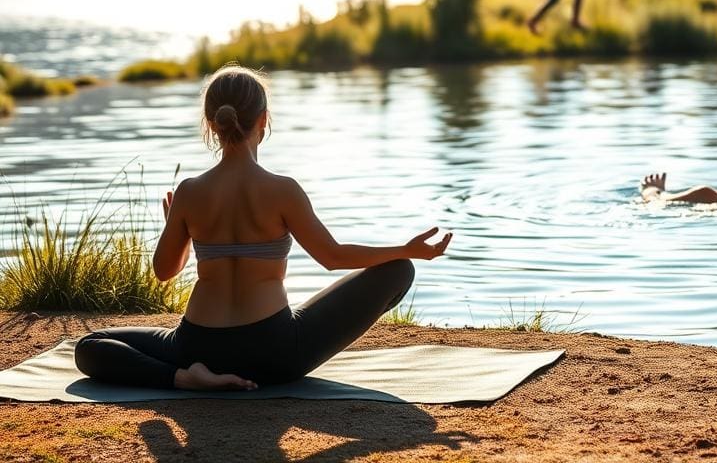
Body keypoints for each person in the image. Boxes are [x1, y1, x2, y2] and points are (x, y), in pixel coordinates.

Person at [74, 66, 452, 390]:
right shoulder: (282, 190)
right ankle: (199, 374)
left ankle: (184, 378)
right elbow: (333, 258)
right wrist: (406, 250)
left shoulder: (190, 192)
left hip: (196, 348)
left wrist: (176, 227)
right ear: (263, 120)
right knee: (400, 271)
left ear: (211, 125)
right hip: (277, 353)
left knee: (90, 347)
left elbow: (163, 272)